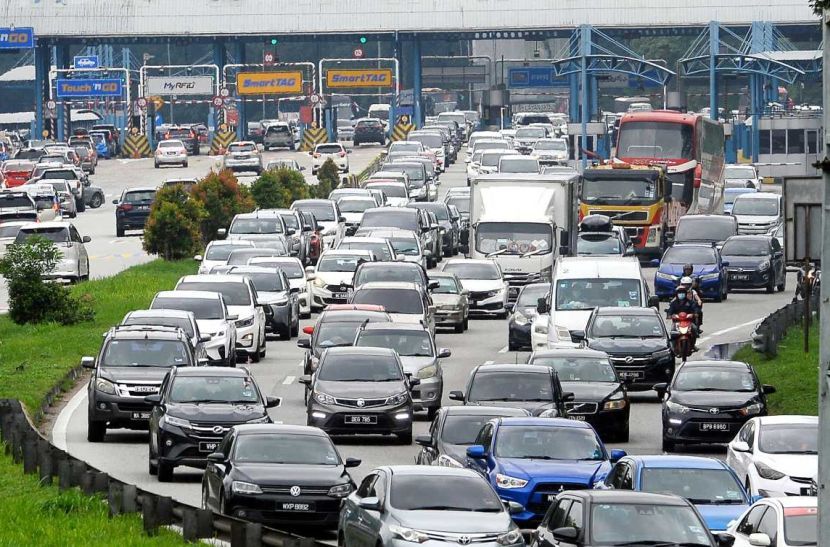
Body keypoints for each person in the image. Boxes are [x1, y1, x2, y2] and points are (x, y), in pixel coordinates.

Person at [666, 286, 700, 351]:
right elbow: (670, 310)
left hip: (688, 322)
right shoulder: (674, 303)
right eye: (679, 293)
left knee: (694, 329)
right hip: (676, 322)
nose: (681, 294)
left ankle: (693, 345)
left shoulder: (690, 302)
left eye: (682, 293)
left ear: (685, 294)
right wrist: (669, 315)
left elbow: (695, 308)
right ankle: (673, 347)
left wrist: (695, 314)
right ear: (677, 294)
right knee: (672, 332)